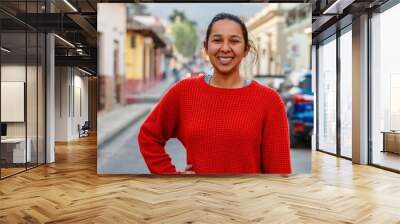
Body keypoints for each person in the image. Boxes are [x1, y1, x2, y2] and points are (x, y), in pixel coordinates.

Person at [138, 13, 291, 174]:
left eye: (234, 41)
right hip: (198, 198)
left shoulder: (269, 101)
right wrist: (171, 177)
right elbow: (148, 136)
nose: (225, 48)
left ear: (246, 49)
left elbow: (279, 173)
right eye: (217, 40)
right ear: (206, 47)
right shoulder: (184, 92)